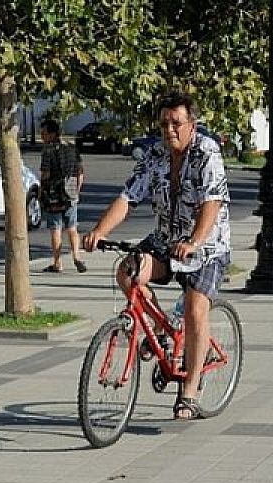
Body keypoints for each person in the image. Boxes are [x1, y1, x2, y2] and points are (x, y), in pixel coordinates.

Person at [83, 91, 231, 421]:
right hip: (166, 240)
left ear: (192, 124)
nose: (169, 130)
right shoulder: (154, 155)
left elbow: (212, 202)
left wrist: (194, 241)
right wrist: (99, 231)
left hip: (206, 247)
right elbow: (128, 197)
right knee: (127, 272)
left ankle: (190, 390)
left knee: (195, 309)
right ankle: (161, 331)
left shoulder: (207, 153)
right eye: (164, 123)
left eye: (176, 123)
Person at [39, 119, 86, 273]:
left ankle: (58, 262)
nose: (42, 136)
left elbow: (45, 174)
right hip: (71, 193)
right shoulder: (72, 147)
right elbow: (79, 170)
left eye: (44, 133)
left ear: (52, 133)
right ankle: (77, 257)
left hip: (54, 195)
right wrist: (77, 190)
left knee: (55, 229)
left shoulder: (48, 150)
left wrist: (41, 192)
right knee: (72, 228)